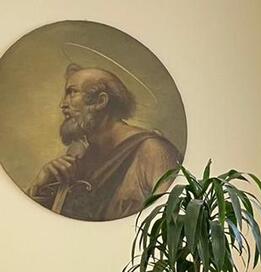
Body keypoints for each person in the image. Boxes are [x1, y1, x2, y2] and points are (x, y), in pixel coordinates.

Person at [27, 64, 181, 221]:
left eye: (72, 92)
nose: (62, 104)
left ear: (100, 102)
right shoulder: (78, 157)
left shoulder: (153, 151)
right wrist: (41, 184)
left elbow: (169, 220)